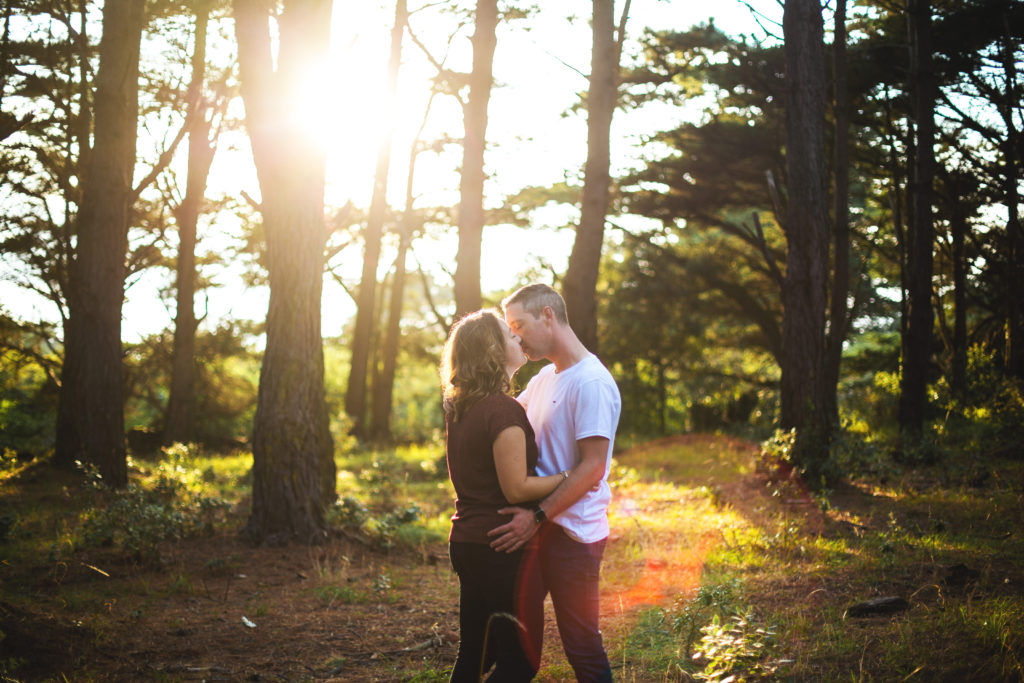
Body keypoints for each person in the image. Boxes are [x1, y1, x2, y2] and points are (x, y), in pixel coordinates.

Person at [488, 284, 621, 683]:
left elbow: (593, 467)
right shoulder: (546, 377)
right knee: (516, 651)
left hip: (574, 537)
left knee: (581, 646)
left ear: (548, 315)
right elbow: (507, 421)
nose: (515, 337)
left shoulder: (591, 382)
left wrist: (538, 516)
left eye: (519, 325)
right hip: (537, 531)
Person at [440, 309, 576, 682]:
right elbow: (516, 488)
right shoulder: (502, 410)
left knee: (475, 655)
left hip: (468, 542)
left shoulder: (462, 406)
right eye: (509, 335)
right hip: (500, 547)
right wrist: (567, 475)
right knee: (519, 662)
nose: (518, 339)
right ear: (493, 350)